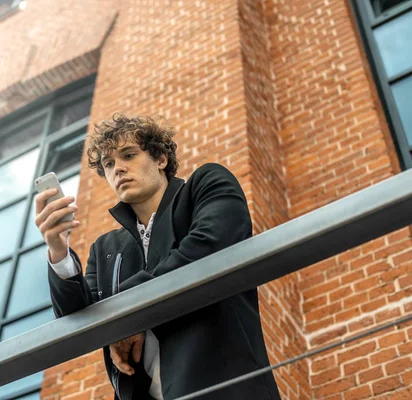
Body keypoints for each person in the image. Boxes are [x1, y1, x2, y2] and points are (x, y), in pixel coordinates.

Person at [35, 114, 281, 400]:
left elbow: (207, 250)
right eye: (109, 164)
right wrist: (58, 250)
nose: (118, 169)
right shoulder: (105, 249)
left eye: (129, 155)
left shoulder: (206, 185)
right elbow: (79, 320)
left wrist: (129, 315)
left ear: (161, 158)